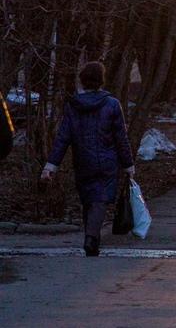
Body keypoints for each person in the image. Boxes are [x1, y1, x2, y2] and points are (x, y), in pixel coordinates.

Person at [40, 62, 135, 256]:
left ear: (82, 81)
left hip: (83, 161)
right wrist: (128, 164)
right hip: (107, 161)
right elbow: (121, 138)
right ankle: (91, 238)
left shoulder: (73, 106)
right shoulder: (112, 104)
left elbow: (63, 138)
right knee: (99, 201)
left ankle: (92, 240)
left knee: (88, 200)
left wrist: (51, 166)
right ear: (101, 81)